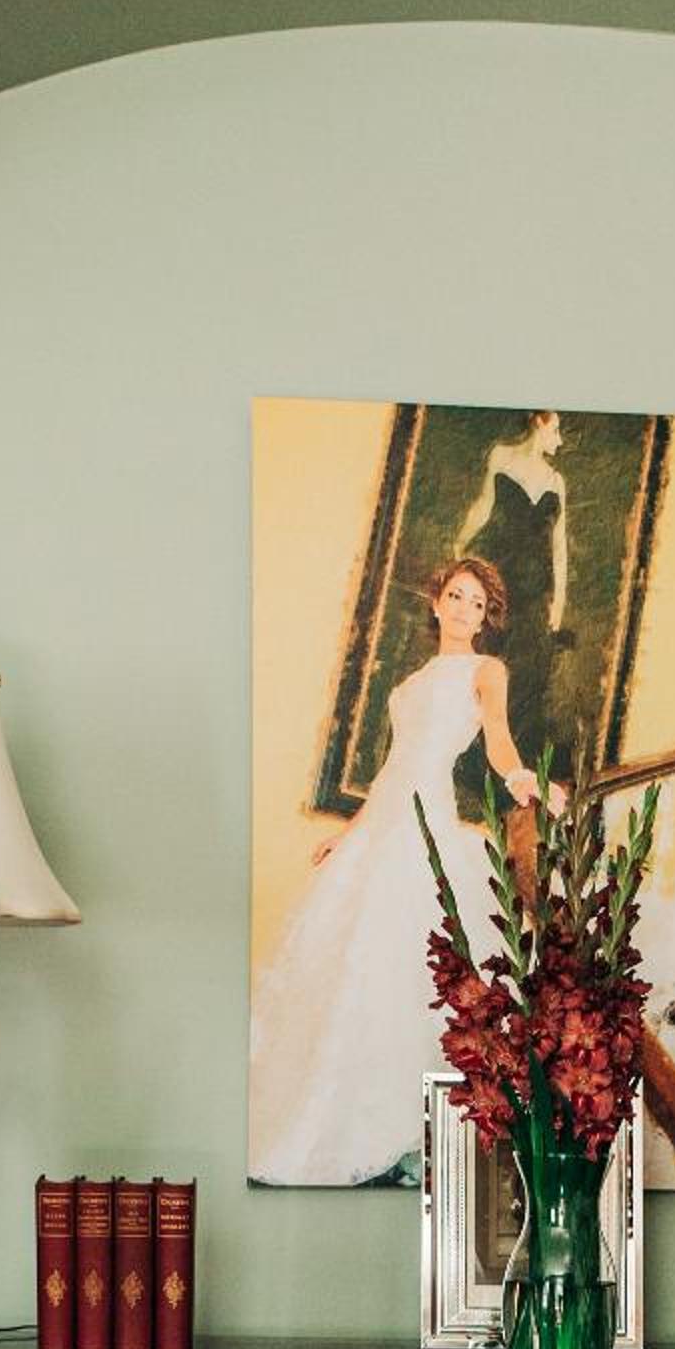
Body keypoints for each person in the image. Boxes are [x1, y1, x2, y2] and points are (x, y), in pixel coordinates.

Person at [248, 556, 548, 1185]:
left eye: (476, 603)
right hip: (385, 822)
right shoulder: (408, 687)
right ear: (436, 603)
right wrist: (349, 833)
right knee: (355, 957)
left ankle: (422, 1128)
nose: (464, 610)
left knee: (417, 957)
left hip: (426, 820)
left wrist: (518, 775)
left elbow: (496, 737)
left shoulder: (486, 671)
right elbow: (392, 769)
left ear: (484, 618)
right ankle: (344, 1111)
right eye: (456, 596)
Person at [456, 411, 570, 769]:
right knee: (486, 658)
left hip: (535, 591)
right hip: (501, 575)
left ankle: (504, 762)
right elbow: (483, 506)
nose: (560, 440)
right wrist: (460, 544)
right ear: (538, 423)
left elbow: (559, 546)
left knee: (522, 672)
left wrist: (559, 602)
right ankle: (469, 753)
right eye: (556, 430)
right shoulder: (501, 456)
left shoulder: (556, 481)